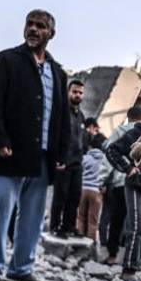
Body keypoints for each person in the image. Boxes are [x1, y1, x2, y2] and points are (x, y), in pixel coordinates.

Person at [0, 9, 70, 281]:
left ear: (50, 34)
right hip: (10, 152)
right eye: (30, 24)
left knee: (32, 217)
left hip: (42, 156)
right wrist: (1, 140)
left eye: (40, 26)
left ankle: (21, 268)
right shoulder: (7, 60)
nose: (33, 29)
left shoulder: (57, 72)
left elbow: (61, 115)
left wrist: (61, 153)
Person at [106, 101, 141, 281]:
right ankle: (128, 270)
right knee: (135, 227)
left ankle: (138, 264)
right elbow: (112, 150)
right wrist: (128, 168)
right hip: (135, 185)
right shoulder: (135, 134)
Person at [98, 107, 141, 265]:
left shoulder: (120, 131)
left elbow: (109, 156)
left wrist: (102, 179)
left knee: (115, 219)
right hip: (140, 183)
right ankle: (132, 257)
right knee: (134, 221)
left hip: (120, 181)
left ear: (128, 117)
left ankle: (112, 255)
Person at [48, 79, 86, 239]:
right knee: (60, 196)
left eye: (80, 93)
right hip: (63, 161)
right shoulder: (61, 112)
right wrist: (57, 158)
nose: (78, 95)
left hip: (77, 162)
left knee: (74, 196)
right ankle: (55, 227)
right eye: (75, 92)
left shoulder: (81, 115)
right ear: (68, 92)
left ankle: (69, 226)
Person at [79, 118, 107, 241]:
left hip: (83, 189)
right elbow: (106, 175)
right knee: (93, 220)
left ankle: (79, 240)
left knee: (80, 217)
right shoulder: (104, 160)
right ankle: (90, 243)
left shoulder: (85, 158)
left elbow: (80, 172)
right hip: (96, 191)